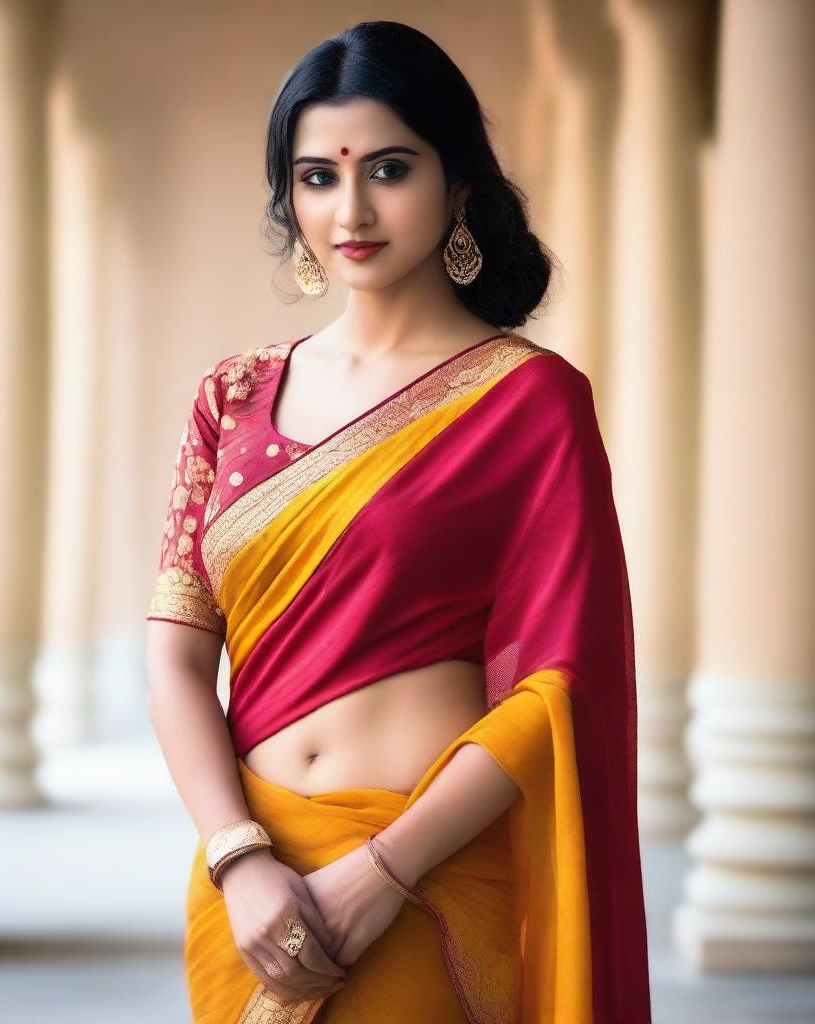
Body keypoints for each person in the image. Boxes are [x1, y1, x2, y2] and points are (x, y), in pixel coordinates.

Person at [145, 19, 651, 1024]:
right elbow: (172, 655)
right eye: (318, 178)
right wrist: (238, 857)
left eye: (388, 168)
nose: (352, 209)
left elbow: (561, 684)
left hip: (425, 876)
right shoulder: (233, 397)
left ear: (457, 186)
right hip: (253, 884)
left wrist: (383, 868)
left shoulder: (527, 402)